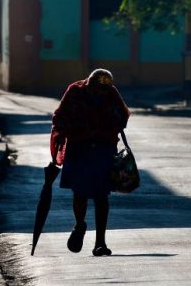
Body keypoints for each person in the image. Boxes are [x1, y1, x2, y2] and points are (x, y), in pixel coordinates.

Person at [50, 68, 130, 256]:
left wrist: (108, 127)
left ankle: (100, 242)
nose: (101, 93)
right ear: (89, 84)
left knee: (102, 195)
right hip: (79, 149)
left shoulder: (111, 93)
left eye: (104, 90)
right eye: (97, 89)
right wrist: (63, 132)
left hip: (103, 149)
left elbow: (123, 116)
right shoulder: (75, 91)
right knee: (80, 193)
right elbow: (59, 116)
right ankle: (79, 225)